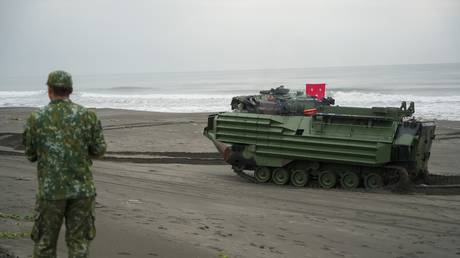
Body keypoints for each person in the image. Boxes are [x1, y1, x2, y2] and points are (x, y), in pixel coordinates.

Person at [23, 70, 106, 258]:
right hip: (82, 191)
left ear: (50, 90)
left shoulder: (36, 118)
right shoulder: (87, 116)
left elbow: (30, 154)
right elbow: (99, 150)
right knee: (79, 244)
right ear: (70, 90)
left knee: (45, 244)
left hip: (51, 192)